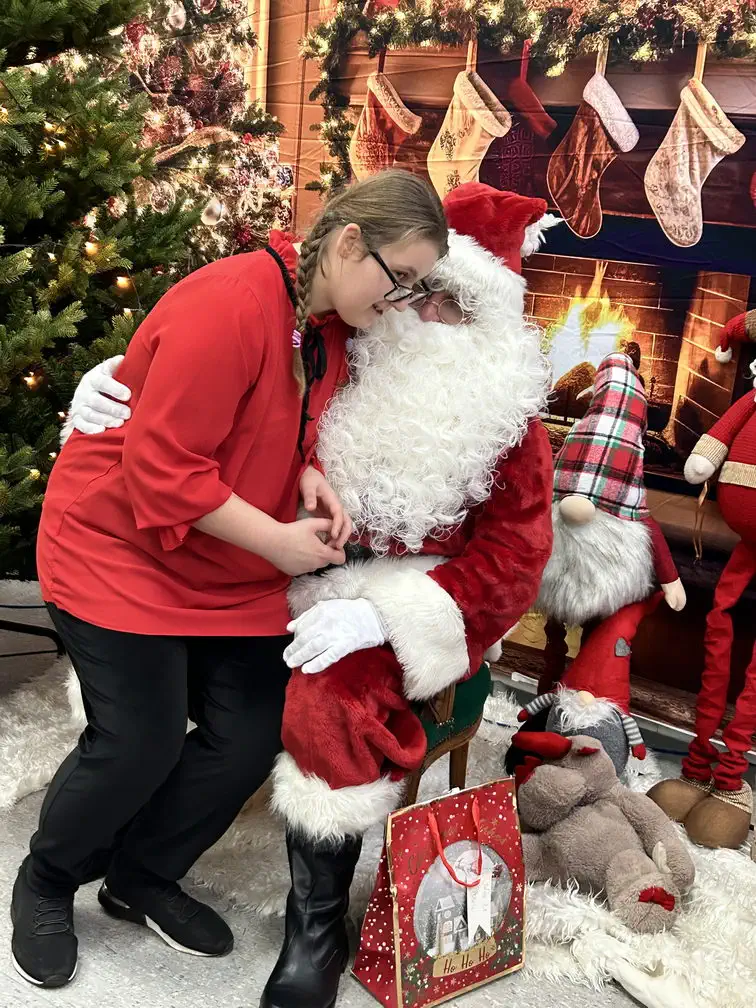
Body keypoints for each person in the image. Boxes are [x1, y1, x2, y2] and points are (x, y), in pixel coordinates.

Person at [66, 182, 556, 1008]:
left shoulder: (508, 421)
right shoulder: (348, 339)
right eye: (417, 293)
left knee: (328, 698)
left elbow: (515, 560)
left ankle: (314, 929)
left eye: (452, 304)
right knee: (163, 694)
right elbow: (215, 362)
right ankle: (114, 850)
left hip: (414, 596)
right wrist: (109, 385)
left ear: (491, 323)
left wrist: (381, 616)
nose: (424, 316)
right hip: (276, 564)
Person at [11, 169, 448, 990]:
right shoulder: (233, 302)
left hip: (224, 566)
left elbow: (283, 423)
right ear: (350, 243)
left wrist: (308, 475)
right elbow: (162, 470)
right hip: (116, 549)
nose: (402, 302)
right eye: (400, 279)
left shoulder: (328, 325)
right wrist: (279, 544)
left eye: (416, 287)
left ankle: (140, 876)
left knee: (252, 731)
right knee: (137, 741)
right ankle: (46, 878)